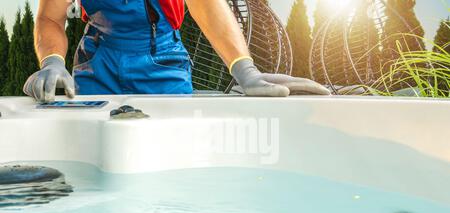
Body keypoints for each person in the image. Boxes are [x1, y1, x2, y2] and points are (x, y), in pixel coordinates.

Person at [24, 0, 330, 101]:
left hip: (162, 63)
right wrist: (52, 63)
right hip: (97, 62)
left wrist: (244, 70)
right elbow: (50, 17)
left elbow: (208, 8)